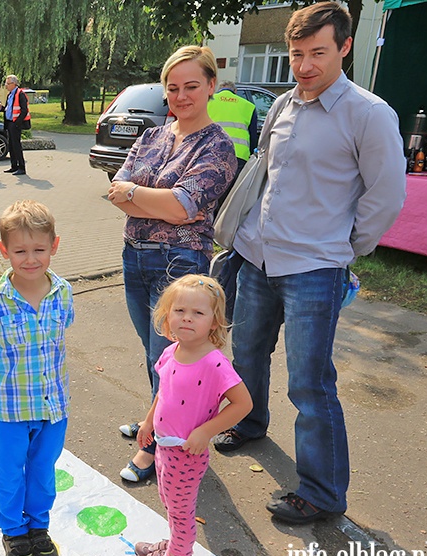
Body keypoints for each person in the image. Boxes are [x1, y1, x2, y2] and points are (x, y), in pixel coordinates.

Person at [212, 2, 406, 525]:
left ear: (344, 47)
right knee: (247, 355)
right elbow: (266, 176)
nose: (304, 66)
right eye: (296, 54)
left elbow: (386, 196)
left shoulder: (368, 114)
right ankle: (249, 424)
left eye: (317, 53)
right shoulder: (282, 106)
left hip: (314, 270)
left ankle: (321, 493)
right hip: (257, 259)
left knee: (310, 383)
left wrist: (345, 247)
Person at [108, 46, 237, 485]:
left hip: (179, 262)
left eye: (192, 86)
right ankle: (156, 421)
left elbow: (183, 208)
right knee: (157, 353)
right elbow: (115, 186)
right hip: (135, 255)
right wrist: (147, 199)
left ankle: (154, 446)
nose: (181, 96)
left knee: (170, 353)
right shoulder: (153, 136)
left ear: (211, 86)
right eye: (173, 88)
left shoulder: (218, 146)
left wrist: (135, 195)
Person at [125, 274, 252, 556]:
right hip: (165, 447)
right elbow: (163, 391)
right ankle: (175, 547)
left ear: (214, 321)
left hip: (186, 453)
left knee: (181, 512)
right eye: (180, 310)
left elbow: (243, 404)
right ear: (167, 314)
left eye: (198, 313)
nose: (187, 318)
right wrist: (149, 420)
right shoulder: (172, 351)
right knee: (168, 502)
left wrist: (207, 431)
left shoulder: (214, 363)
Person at [0, 200, 74, 556]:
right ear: (4, 251)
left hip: (54, 407)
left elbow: (61, 333)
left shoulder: (63, 292)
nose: (30, 259)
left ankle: (38, 526)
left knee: (43, 470)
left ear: (55, 246)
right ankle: (14, 531)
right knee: (8, 471)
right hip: (12, 408)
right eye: (20, 251)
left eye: (39, 249)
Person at [207, 81, 258, 320]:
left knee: (211, 203)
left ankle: (209, 237)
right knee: (232, 206)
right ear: (235, 92)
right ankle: (227, 240)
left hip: (212, 157)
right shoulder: (248, 106)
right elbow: (256, 139)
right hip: (239, 162)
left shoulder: (210, 100)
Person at [207, 82, 257, 177]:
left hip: (212, 153)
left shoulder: (207, 101)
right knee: (235, 190)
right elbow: (253, 137)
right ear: (235, 91)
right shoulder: (248, 106)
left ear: (218, 90)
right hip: (239, 155)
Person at [0, 75, 29, 176]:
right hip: (9, 122)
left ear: (14, 84)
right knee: (11, 145)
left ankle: (21, 167)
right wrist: (0, 108)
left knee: (16, 145)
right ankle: (14, 166)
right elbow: (9, 109)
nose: (6, 85)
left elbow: (24, 110)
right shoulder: (10, 94)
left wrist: (17, 122)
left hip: (15, 123)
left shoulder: (20, 94)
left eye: (8, 83)